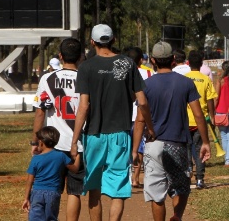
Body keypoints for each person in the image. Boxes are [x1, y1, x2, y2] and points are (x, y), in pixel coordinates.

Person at [70, 24, 151, 221]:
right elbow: (142, 101)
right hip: (120, 134)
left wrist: (74, 140)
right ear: (113, 40)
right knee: (118, 188)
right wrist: (150, 126)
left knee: (94, 187)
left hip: (94, 135)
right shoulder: (127, 63)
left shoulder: (86, 67)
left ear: (92, 42)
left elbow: (84, 106)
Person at [131, 41, 210, 221]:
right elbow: (198, 115)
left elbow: (140, 120)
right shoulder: (186, 83)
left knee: (156, 193)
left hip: (153, 144)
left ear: (152, 60)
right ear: (173, 60)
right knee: (181, 187)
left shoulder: (146, 85)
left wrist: (135, 150)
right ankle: (177, 216)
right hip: (178, 144)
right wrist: (205, 142)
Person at [31, 37, 84, 221]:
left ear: (60, 56)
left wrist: (35, 141)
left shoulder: (48, 78)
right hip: (78, 144)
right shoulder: (85, 78)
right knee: (74, 191)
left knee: (51, 187)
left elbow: (40, 112)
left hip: (53, 143)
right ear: (80, 57)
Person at [22, 126, 81, 221]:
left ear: (41, 142)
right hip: (53, 193)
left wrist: (26, 198)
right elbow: (75, 169)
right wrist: (78, 156)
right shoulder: (61, 155)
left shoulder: (36, 159)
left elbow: (30, 180)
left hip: (37, 193)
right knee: (51, 218)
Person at [184, 50, 217, 189]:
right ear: (201, 63)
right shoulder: (206, 80)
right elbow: (210, 100)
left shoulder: (184, 78)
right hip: (200, 121)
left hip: (185, 120)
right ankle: (200, 179)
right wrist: (212, 116)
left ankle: (187, 172)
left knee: (185, 149)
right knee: (200, 150)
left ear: (188, 63)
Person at [123, 46, 155, 189]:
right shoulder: (148, 73)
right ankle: (136, 178)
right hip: (140, 115)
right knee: (140, 147)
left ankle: (126, 176)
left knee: (125, 146)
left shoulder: (120, 72)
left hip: (124, 115)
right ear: (141, 59)